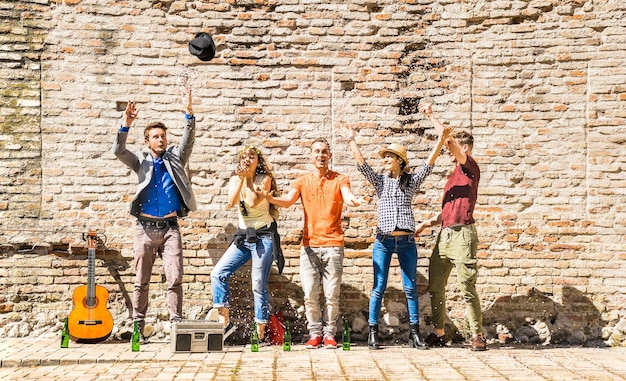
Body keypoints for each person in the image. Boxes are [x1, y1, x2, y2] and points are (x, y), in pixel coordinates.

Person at [342, 122, 453, 350]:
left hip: (406, 242)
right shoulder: (380, 183)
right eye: (385, 158)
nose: (385, 161)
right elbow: (363, 166)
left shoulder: (409, 182)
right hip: (383, 241)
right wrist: (351, 140)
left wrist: (441, 141)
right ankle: (373, 332)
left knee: (410, 287)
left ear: (399, 161)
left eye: (389, 157)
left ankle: (415, 334)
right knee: (379, 286)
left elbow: (428, 166)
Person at [258, 138, 364, 349]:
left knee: (332, 295)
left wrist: (355, 201)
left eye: (324, 151)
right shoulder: (302, 181)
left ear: (329, 156)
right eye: (316, 151)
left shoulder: (340, 179)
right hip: (309, 247)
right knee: (309, 295)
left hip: (334, 245)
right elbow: (287, 201)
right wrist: (269, 198)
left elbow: (348, 196)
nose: (320, 155)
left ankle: (330, 335)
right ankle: (315, 333)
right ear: (310, 156)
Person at [113, 90, 197, 341]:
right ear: (148, 141)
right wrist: (125, 125)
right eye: (155, 137)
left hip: (171, 228)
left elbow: (188, 140)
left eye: (163, 136)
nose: (160, 140)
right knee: (142, 280)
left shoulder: (175, 157)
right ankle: (139, 327)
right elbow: (119, 151)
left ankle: (176, 327)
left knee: (175, 278)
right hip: (145, 229)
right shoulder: (140, 160)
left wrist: (189, 114)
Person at [415, 102, 486, 351]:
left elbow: (448, 143)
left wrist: (432, 117)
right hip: (445, 235)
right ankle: (439, 332)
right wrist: (427, 223)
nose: (449, 150)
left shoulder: (471, 168)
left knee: (467, 286)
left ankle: (477, 335)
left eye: (454, 146)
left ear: (464, 147)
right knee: (436, 286)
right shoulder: (454, 176)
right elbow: (449, 209)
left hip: (463, 234)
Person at [210, 145, 283, 341]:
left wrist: (248, 178)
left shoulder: (264, 180)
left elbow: (251, 201)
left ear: (258, 161)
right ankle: (226, 323)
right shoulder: (236, 178)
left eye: (252, 156)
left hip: (263, 237)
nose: (247, 159)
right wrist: (241, 179)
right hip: (244, 236)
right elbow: (232, 202)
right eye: (244, 156)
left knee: (258, 283)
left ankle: (259, 333)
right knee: (218, 274)